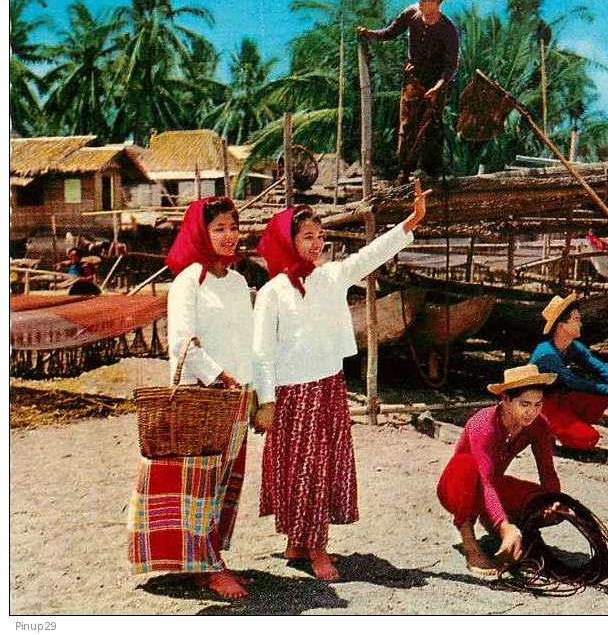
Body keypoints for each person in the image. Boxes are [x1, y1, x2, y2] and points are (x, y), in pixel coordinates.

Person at [252, 185, 428, 581]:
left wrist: (409, 223)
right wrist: (265, 401)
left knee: (320, 467)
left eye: (320, 236)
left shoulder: (332, 276)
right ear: (288, 240)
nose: (317, 244)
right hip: (290, 394)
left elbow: (370, 255)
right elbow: (261, 353)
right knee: (300, 469)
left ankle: (310, 543)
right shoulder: (271, 293)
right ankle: (309, 546)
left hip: (328, 387)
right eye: (307, 237)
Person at [127, 196, 254, 599]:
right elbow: (181, 342)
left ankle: (209, 560)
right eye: (218, 228)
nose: (229, 236)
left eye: (233, 227)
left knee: (221, 486)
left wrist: (253, 390)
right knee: (198, 486)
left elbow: (248, 341)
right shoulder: (188, 280)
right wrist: (219, 377)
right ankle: (210, 568)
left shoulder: (237, 282)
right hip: (201, 400)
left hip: (236, 398)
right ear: (201, 232)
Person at [436, 365, 562, 575]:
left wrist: (555, 500)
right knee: (466, 465)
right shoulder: (483, 424)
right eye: (524, 404)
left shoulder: (539, 425)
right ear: (506, 399)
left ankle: (494, 522)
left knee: (543, 500)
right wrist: (504, 525)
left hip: (491, 486)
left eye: (538, 404)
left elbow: (547, 471)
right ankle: (470, 544)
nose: (532, 412)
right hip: (458, 489)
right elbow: (485, 481)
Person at [357, 0, 460, 183]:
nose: (421, 2)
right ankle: (404, 171)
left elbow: (451, 66)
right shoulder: (411, 14)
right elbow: (390, 32)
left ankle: (430, 173)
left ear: (437, 3)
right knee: (407, 125)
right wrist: (369, 34)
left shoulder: (448, 30)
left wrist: (438, 87)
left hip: (437, 82)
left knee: (433, 125)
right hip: (414, 77)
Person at [529, 293, 608, 450]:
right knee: (589, 439)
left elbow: (596, 365)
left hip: (560, 399)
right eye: (576, 320)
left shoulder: (573, 346)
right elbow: (573, 381)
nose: (581, 324)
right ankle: (544, 429)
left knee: (600, 396)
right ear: (561, 326)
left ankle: (569, 425)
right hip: (541, 405)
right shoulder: (547, 354)